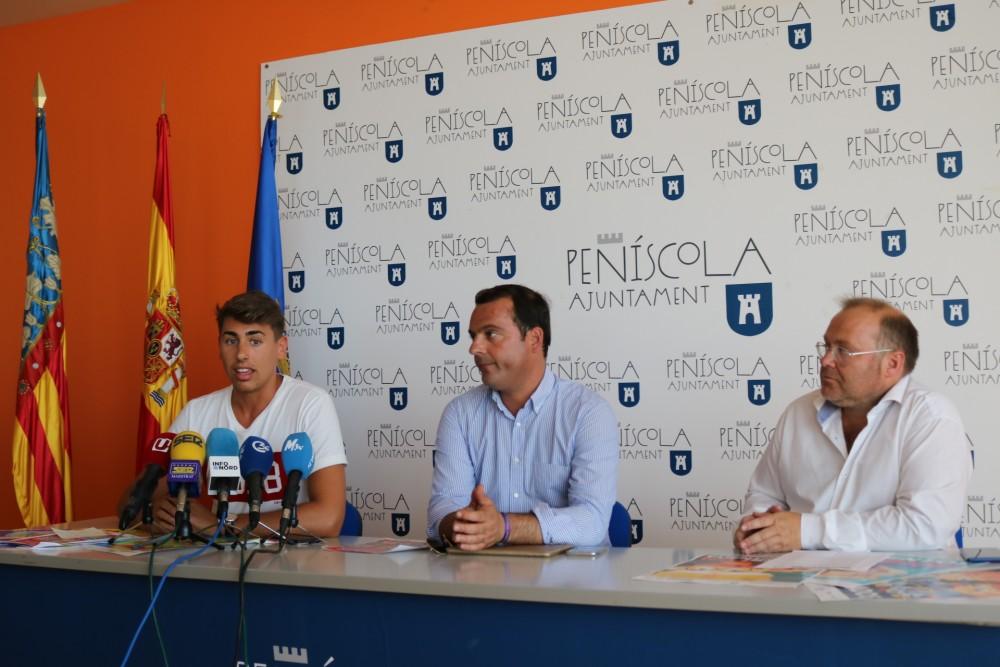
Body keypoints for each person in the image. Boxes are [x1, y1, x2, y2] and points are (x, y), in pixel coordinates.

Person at [735, 297, 971, 553]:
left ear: (892, 364)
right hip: (801, 576)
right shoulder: (798, 413)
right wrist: (757, 528)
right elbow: (765, 494)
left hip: (907, 578)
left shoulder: (931, 417)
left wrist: (807, 531)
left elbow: (924, 526)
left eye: (843, 351)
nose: (826, 360)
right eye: (827, 346)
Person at [427, 284, 618, 550]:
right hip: (482, 573)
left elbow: (592, 522)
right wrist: (465, 524)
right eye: (473, 336)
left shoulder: (588, 413)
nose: (474, 348)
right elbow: (443, 509)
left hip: (572, 575)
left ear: (534, 339)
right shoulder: (460, 413)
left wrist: (504, 528)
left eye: (491, 334)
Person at [150, 290, 347, 537]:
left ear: (281, 348)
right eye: (231, 340)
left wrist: (222, 525)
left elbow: (328, 517)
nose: (241, 354)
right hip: (218, 555)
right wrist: (158, 511)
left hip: (292, 556)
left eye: (254, 341)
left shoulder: (311, 404)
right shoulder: (197, 412)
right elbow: (144, 499)